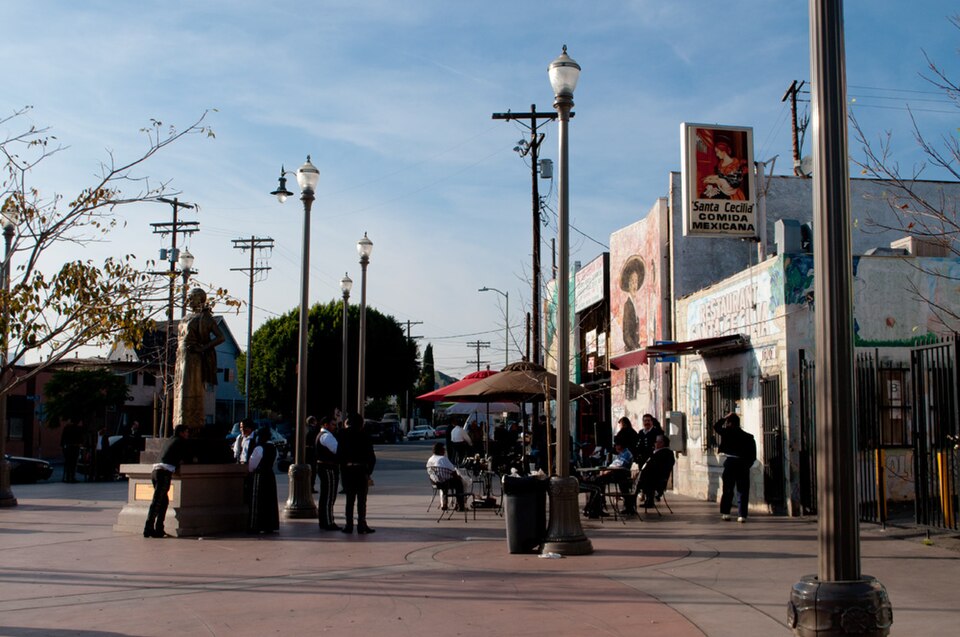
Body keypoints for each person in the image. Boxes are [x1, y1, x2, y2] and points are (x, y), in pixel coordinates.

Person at [172, 287, 225, 429]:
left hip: (193, 358)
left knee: (188, 389)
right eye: (189, 297)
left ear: (200, 299)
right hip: (181, 355)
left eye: (192, 297)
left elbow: (221, 337)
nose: (189, 300)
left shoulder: (205, 317)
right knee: (178, 388)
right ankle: (178, 425)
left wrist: (203, 348)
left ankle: (191, 424)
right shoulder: (185, 318)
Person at [144, 425, 191, 538]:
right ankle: (148, 528)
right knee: (157, 502)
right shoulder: (180, 441)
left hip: (155, 472)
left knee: (163, 501)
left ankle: (159, 528)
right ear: (181, 432)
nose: (187, 434)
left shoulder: (170, 440)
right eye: (186, 432)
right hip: (163, 473)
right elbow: (185, 457)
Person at [713, 412, 757, 522]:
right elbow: (752, 456)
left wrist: (724, 417)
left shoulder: (727, 433)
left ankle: (726, 513)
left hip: (730, 462)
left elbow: (716, 427)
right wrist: (747, 465)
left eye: (727, 423)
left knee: (727, 489)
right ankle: (742, 515)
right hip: (743, 464)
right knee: (743, 490)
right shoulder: (749, 437)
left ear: (729, 423)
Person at [338, 413, 377, 534]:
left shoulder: (342, 434)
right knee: (362, 500)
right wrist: (368, 472)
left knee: (349, 500)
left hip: (348, 470)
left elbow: (339, 453)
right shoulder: (364, 435)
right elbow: (372, 457)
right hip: (361, 470)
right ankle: (361, 524)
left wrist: (343, 469)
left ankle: (348, 525)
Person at [582, 443, 634, 518]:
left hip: (618, 475)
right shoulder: (621, 454)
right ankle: (594, 508)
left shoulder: (626, 454)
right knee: (597, 483)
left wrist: (607, 470)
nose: (615, 447)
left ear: (621, 445)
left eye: (617, 445)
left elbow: (618, 465)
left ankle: (591, 508)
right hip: (615, 474)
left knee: (597, 482)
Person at [619, 256, 644, 401]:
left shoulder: (635, 303)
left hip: (635, 351)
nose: (634, 285)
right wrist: (635, 348)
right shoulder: (628, 305)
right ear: (628, 284)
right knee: (631, 385)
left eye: (636, 281)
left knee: (636, 383)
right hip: (631, 352)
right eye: (632, 281)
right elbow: (626, 334)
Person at [247, 427, 280, 534]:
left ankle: (255, 525)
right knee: (269, 500)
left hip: (260, 475)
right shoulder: (273, 447)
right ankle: (269, 525)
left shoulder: (259, 448)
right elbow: (275, 460)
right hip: (269, 475)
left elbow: (252, 465)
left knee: (257, 500)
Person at [315, 416, 341, 531]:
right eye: (333, 424)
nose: (335, 427)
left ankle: (324, 521)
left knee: (326, 495)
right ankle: (328, 521)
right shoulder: (326, 436)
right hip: (328, 467)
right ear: (325, 425)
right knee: (329, 495)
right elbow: (337, 450)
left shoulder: (323, 435)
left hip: (324, 467)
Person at [637, 435, 675, 510]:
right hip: (651, 477)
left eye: (656, 442)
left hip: (655, 479)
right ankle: (644, 498)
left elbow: (656, 467)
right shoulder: (658, 452)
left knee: (631, 483)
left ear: (662, 443)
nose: (655, 444)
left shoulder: (664, 453)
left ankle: (631, 504)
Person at [426, 442, 466, 511]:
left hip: (435, 482)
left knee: (445, 482)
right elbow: (453, 471)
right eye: (443, 449)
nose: (444, 451)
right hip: (445, 483)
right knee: (459, 483)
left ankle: (444, 504)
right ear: (440, 450)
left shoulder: (430, 459)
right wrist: (458, 477)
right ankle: (460, 505)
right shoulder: (442, 459)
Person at [60, 416, 83, 483]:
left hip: (68, 447)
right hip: (75, 447)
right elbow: (81, 439)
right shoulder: (78, 428)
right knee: (73, 463)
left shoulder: (67, 428)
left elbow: (63, 438)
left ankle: (67, 477)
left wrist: (62, 447)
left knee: (68, 463)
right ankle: (72, 477)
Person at [305, 416, 320, 493]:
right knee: (312, 471)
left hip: (306, 453)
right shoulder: (313, 431)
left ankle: (307, 487)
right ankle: (311, 487)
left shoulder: (305, 429)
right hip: (312, 453)